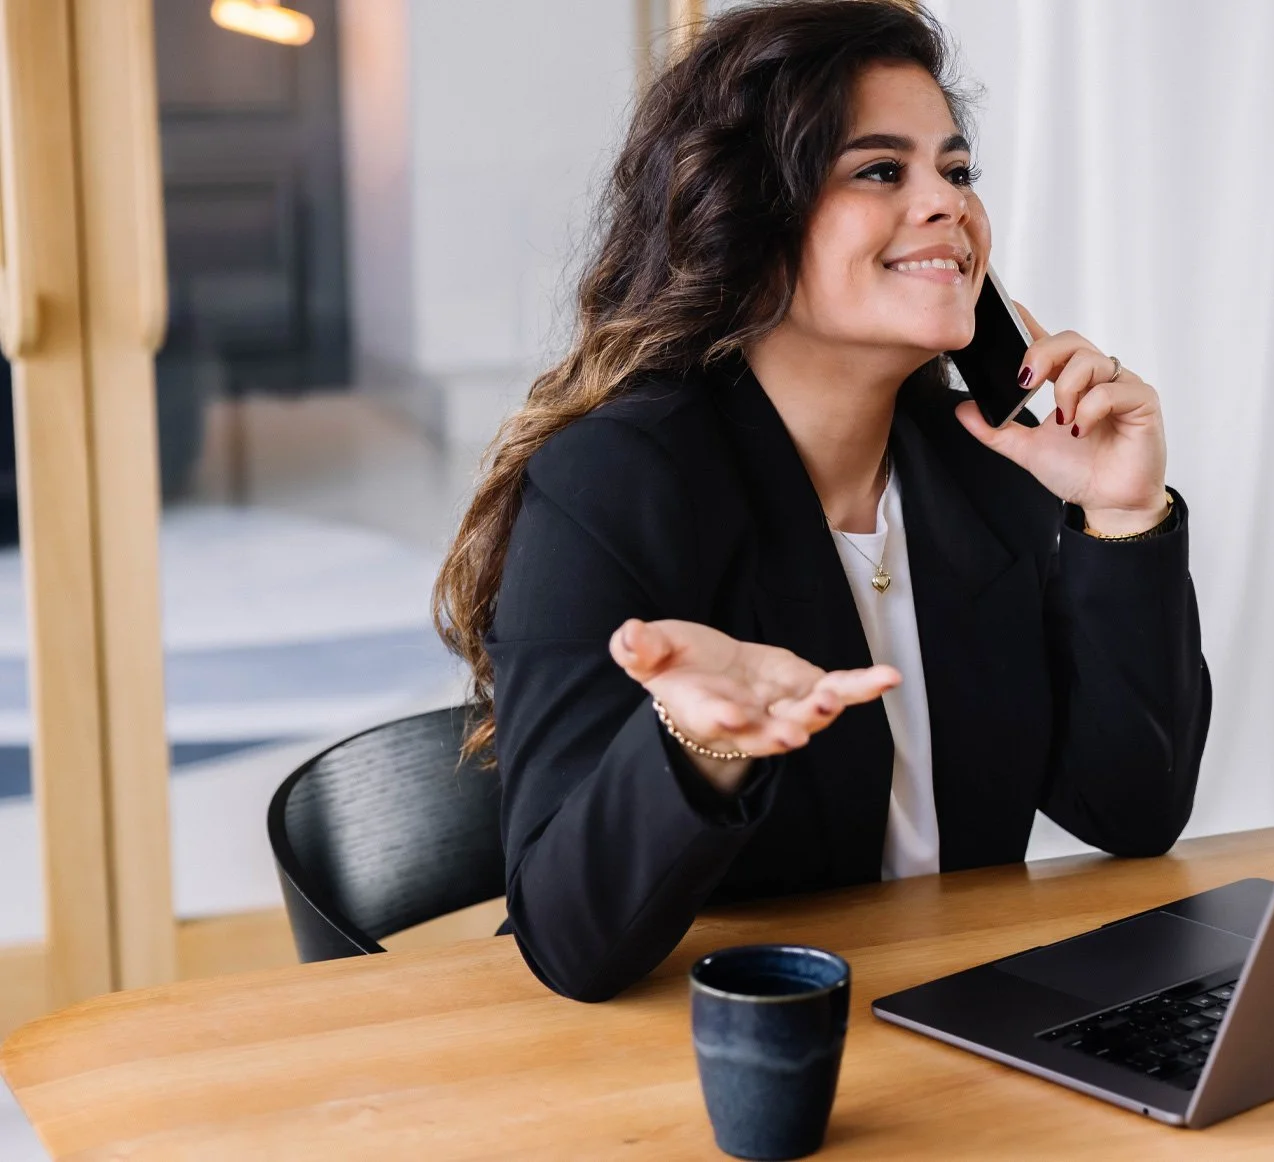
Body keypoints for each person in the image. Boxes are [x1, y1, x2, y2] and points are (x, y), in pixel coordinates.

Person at [432, 0, 1211, 1003]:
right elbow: (568, 940)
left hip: (961, 1019)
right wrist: (699, 742)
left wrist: (1120, 514)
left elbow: (1132, 809)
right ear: (750, 218)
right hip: (732, 1057)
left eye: (957, 169)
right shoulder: (619, 481)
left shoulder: (989, 464)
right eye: (881, 170)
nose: (950, 207)